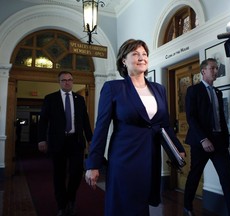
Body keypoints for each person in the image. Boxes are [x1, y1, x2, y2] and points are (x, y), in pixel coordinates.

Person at [84, 39, 186, 216]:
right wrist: (93, 164)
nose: (141, 58)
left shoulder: (159, 89)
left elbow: (164, 124)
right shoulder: (113, 88)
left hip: (150, 158)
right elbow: (101, 128)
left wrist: (177, 147)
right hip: (124, 158)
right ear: (124, 60)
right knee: (123, 206)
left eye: (144, 54)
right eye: (135, 54)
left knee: (141, 207)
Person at [183, 58, 230, 216]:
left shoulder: (217, 92)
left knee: (227, 180)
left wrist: (225, 141)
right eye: (213, 68)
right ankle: (187, 206)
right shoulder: (193, 90)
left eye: (217, 68)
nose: (216, 71)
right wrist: (203, 139)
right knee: (195, 176)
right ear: (203, 71)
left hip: (219, 143)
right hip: (200, 142)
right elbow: (191, 117)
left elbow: (220, 118)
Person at [38, 71, 93, 216]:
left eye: (69, 80)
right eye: (64, 80)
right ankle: (62, 206)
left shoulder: (80, 99)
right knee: (59, 175)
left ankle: (71, 199)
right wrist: (41, 139)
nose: (67, 82)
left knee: (76, 173)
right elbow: (43, 121)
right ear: (59, 82)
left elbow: (85, 121)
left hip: (76, 141)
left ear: (72, 81)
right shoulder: (50, 99)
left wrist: (90, 139)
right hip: (58, 142)